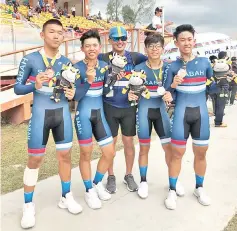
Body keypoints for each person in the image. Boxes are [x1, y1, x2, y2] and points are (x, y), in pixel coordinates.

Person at [14, 19, 82, 229]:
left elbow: (74, 90)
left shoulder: (67, 63)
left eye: (60, 33)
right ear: (42, 35)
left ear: (63, 37)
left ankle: (66, 196)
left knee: (65, 156)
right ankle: (28, 205)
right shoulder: (30, 59)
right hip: (41, 115)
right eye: (51, 32)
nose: (56, 36)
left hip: (62, 114)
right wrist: (34, 85)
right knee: (35, 159)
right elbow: (17, 88)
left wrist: (73, 94)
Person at [129, 33, 185, 199]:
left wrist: (171, 94)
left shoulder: (169, 67)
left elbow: (174, 89)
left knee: (168, 148)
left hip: (161, 111)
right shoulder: (138, 68)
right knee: (144, 148)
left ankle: (174, 181)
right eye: (151, 46)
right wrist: (131, 96)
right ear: (145, 49)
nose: (154, 49)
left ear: (162, 49)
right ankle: (144, 181)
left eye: (157, 46)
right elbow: (132, 91)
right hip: (144, 111)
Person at [164, 24, 213, 210]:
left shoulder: (205, 63)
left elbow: (210, 87)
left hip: (200, 114)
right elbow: (168, 95)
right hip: (180, 116)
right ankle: (172, 189)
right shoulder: (172, 66)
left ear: (194, 41)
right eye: (182, 40)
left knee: (201, 153)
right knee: (177, 154)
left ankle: (199, 188)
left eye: (189, 39)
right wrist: (174, 85)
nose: (186, 43)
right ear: (176, 42)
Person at [98, 26, 148, 194]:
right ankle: (110, 176)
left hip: (128, 108)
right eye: (116, 38)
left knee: (128, 143)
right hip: (109, 106)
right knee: (109, 146)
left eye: (123, 38)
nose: (120, 41)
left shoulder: (135, 57)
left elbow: (153, 63)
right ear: (109, 40)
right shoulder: (103, 58)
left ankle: (128, 174)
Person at [74, 30, 115, 209]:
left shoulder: (105, 66)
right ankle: (88, 190)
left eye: (95, 45)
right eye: (88, 45)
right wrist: (89, 81)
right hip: (83, 115)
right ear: (82, 48)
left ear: (100, 47)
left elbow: (105, 91)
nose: (92, 48)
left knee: (109, 152)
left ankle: (97, 183)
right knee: (86, 154)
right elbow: (75, 96)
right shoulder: (76, 68)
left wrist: (112, 82)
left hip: (99, 115)